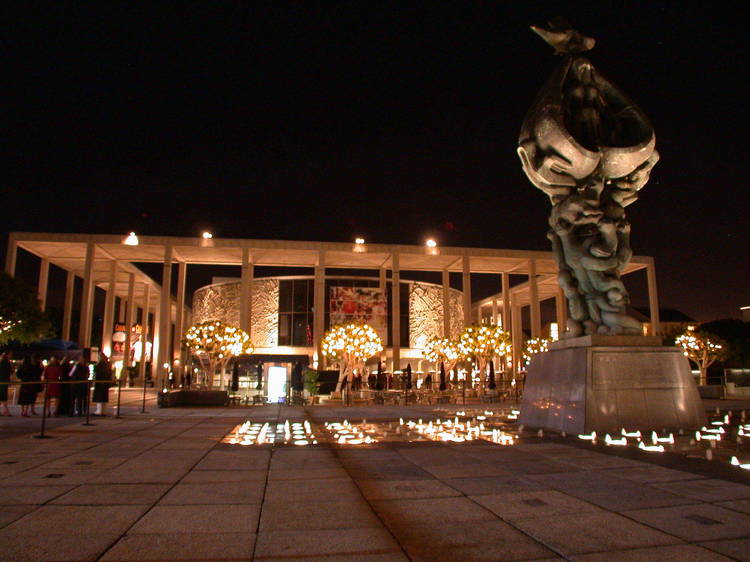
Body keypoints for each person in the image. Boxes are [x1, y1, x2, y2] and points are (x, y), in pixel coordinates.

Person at [0, 352, 14, 416]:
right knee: (3, 396)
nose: (11, 356)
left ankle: (5, 411)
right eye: (10, 354)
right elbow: (11, 371)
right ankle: (6, 411)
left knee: (2, 396)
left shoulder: (1, 362)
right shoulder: (7, 363)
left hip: (1, 381)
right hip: (4, 381)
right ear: (7, 355)